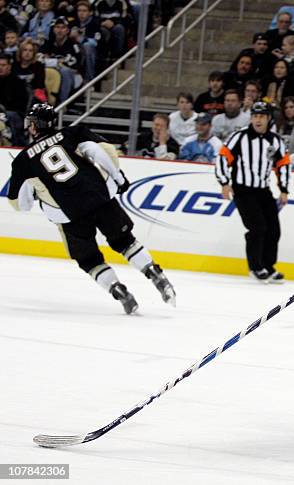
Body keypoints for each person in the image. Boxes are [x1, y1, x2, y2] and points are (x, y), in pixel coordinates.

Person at [7, 104, 176, 314]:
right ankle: (154, 273)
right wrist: (118, 177)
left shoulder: (24, 160)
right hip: (99, 197)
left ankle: (119, 290)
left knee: (89, 260)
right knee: (125, 241)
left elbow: (19, 205)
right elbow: (102, 151)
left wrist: (34, 192)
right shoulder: (73, 133)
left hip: (69, 215)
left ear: (33, 126)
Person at [216, 102, 290, 283]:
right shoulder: (239, 137)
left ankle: (268, 266)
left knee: (274, 230)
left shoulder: (276, 141)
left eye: (262, 116)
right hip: (243, 190)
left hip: (263, 190)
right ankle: (256, 266)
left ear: (268, 119)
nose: (258, 120)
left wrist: (284, 189)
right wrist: (225, 183)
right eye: (255, 116)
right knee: (257, 227)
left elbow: (283, 165)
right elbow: (223, 157)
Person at [39, 16, 82, 104]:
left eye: (63, 27)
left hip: (72, 76)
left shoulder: (74, 45)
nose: (60, 30)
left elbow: (72, 65)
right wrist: (57, 62)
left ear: (67, 30)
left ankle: (63, 103)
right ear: (53, 29)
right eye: (57, 27)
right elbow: (39, 58)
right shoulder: (48, 43)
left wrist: (50, 60)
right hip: (53, 73)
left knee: (65, 71)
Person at [0, 54, 29, 145]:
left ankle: (14, 143)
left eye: (3, 65)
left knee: (9, 115)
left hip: (14, 114)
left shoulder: (18, 83)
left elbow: (20, 106)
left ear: (9, 66)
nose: (0, 68)